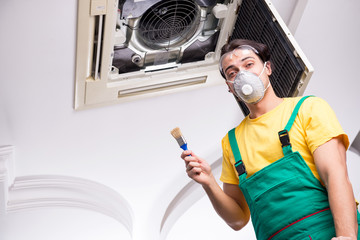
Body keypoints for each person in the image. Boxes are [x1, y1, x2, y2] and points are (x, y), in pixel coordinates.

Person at [180, 39, 360, 239]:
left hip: (328, 233)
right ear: (230, 87)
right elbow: (238, 219)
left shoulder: (307, 109)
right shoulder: (232, 143)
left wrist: (347, 236)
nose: (242, 75)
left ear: (268, 68)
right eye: (232, 73)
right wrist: (209, 182)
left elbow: (335, 176)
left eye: (249, 65)